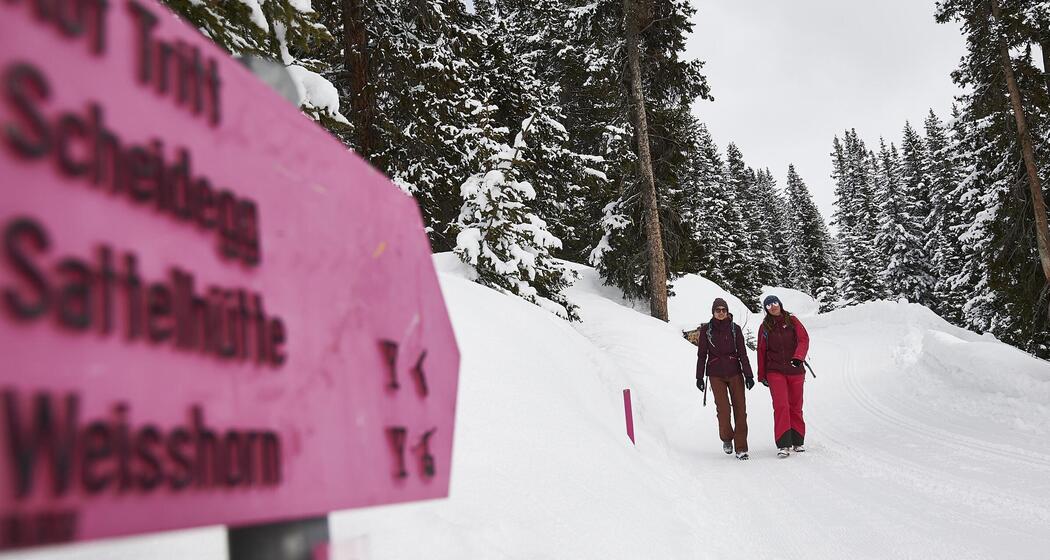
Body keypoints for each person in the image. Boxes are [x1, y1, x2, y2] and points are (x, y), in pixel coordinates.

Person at [695, 298, 754, 460]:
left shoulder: (735, 329)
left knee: (740, 409)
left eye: (723, 310)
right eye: (718, 310)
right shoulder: (706, 330)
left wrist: (748, 375)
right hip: (716, 374)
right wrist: (699, 377)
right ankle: (727, 438)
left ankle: (741, 447)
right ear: (713, 312)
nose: (721, 313)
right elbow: (702, 355)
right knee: (723, 409)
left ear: (727, 312)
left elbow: (742, 353)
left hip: (735, 372)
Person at [756, 294, 810, 458]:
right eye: (768, 305)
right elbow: (761, 351)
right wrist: (761, 375)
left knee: (796, 406)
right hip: (775, 371)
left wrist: (798, 357)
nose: (773, 307)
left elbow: (803, 339)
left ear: (780, 304)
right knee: (781, 406)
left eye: (774, 303)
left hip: (795, 370)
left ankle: (798, 441)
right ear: (766, 309)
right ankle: (783, 444)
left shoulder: (792, 320)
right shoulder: (765, 327)